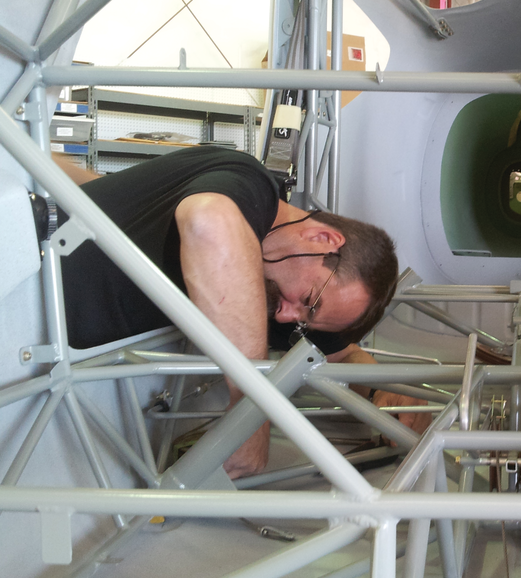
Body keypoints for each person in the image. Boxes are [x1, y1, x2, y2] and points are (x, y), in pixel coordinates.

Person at [56, 145, 427, 476]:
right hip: (32, 297)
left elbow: (342, 352)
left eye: (303, 320)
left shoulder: (275, 291)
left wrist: (385, 388)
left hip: (54, 344)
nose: (286, 317)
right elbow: (210, 222)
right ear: (322, 239)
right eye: (309, 302)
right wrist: (254, 408)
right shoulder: (249, 182)